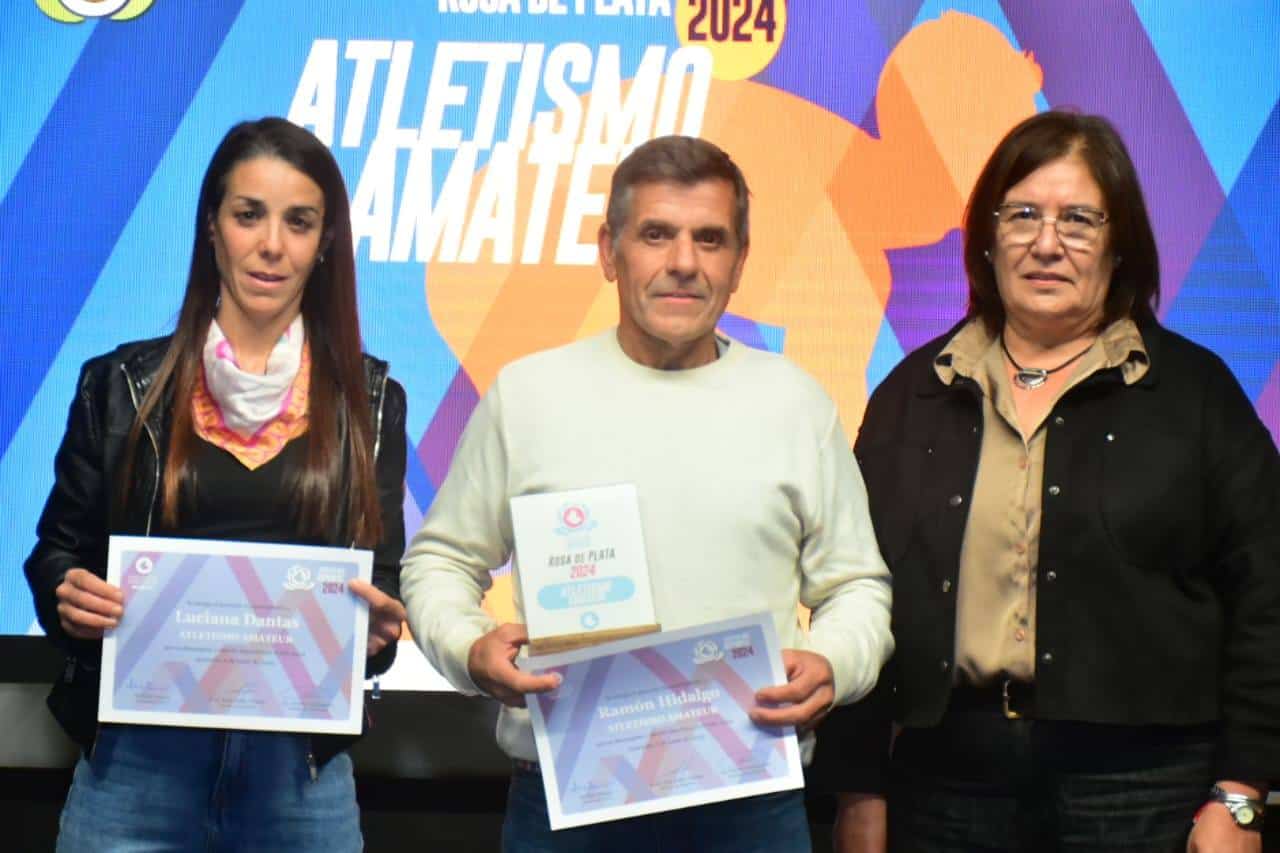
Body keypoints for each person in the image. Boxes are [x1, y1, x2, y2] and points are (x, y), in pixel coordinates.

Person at [400, 135, 894, 852]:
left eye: (710, 239)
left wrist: (835, 663)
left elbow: (857, 587)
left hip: (750, 800)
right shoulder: (529, 395)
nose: (684, 262)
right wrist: (468, 648)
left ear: (739, 262)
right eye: (656, 234)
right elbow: (439, 561)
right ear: (610, 252)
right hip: (565, 801)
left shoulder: (796, 403)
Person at [823, 110, 1279, 852]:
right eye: (1023, 215)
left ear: (1120, 245)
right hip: (946, 787)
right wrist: (859, 788)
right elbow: (859, 594)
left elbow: (1268, 595)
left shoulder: (1195, 394)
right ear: (987, 238)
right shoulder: (915, 393)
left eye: (1078, 220)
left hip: (1145, 789)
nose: (1045, 243)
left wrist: (1243, 793)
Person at [23, 117, 408, 852]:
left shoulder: (373, 402)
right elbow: (55, 554)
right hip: (135, 768)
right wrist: (68, 593)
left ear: (325, 241)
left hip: (299, 774)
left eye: (299, 222)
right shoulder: (119, 386)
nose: (272, 245)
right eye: (248, 215)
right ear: (212, 226)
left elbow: (379, 586)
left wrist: (377, 633)